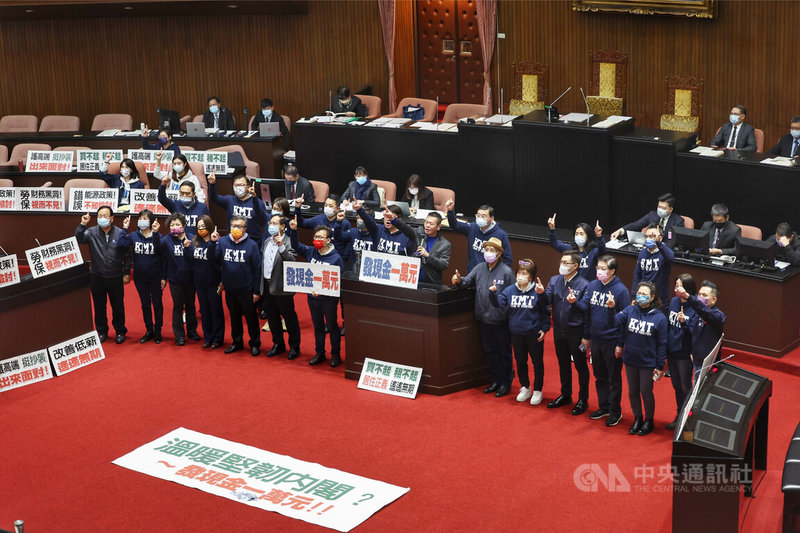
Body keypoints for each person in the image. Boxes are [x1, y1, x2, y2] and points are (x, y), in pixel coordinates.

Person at [452, 237, 515, 397]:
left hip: (501, 321)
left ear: (499, 253)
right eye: (486, 249)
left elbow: (513, 296)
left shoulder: (507, 272)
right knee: (490, 352)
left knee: (504, 353)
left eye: (492, 250)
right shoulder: (479, 267)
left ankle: (506, 383)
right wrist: (458, 280)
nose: (488, 253)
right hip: (483, 319)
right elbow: (466, 281)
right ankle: (495, 380)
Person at [577, 255, 630, 427]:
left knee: (613, 378)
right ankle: (604, 407)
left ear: (612, 271)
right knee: (599, 376)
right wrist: (586, 336)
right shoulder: (592, 285)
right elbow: (587, 311)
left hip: (612, 341)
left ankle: (615, 411)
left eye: (603, 269)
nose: (599, 271)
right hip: (596, 339)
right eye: (597, 268)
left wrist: (620, 344)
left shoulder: (621, 290)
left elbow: (625, 320)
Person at [489, 259, 550, 405]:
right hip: (516, 333)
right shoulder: (510, 290)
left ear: (531, 276)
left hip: (533, 333)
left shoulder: (538, 290)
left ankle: (537, 390)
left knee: (537, 363)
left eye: (524, 273)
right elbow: (499, 304)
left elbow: (545, 311)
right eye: (519, 273)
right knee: (521, 362)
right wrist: (492, 294)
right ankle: (525, 387)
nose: (520, 276)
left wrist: (544, 329)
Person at [539, 251, 591, 415]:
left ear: (575, 266)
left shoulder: (584, 284)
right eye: (561, 261)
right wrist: (540, 294)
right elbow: (546, 301)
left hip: (576, 331)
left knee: (581, 366)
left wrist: (586, 335)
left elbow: (587, 311)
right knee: (563, 363)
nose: (562, 265)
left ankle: (583, 399)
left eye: (566, 262)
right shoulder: (555, 280)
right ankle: (566, 394)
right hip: (559, 330)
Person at [614, 281, 668, 436]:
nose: (641, 296)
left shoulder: (660, 318)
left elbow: (662, 343)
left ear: (652, 297)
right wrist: (613, 309)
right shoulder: (630, 309)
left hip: (648, 362)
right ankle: (638, 418)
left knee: (646, 392)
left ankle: (649, 420)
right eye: (639, 293)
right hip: (630, 359)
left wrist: (659, 365)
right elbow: (619, 325)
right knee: (632, 391)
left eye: (645, 294)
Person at [288, 218, 344, 367]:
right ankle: (319, 352)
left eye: (321, 237)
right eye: (316, 236)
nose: (317, 239)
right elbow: (295, 246)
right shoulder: (311, 251)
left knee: (332, 327)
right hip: (312, 298)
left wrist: (324, 292)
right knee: (318, 326)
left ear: (328, 240)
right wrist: (293, 231)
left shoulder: (336, 258)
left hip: (328, 300)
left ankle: (335, 354)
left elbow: (338, 282)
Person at [75, 206, 131, 344]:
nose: (102, 218)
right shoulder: (92, 232)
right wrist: (83, 224)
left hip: (115, 275)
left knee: (117, 305)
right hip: (97, 275)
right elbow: (78, 239)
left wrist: (126, 273)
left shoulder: (120, 233)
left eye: (105, 216)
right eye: (99, 216)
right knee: (99, 306)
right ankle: (102, 331)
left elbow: (128, 255)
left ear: (112, 218)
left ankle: (119, 331)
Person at [213, 215, 262, 356]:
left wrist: (257, 291)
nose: (236, 229)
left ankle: (255, 343)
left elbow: (257, 269)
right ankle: (237, 342)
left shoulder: (252, 245)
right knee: (234, 318)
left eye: (240, 226)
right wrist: (213, 243)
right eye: (234, 226)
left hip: (247, 290)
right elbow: (215, 260)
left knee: (251, 319)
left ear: (245, 228)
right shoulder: (222, 242)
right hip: (229, 289)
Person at [117, 210, 165, 344]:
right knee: (145, 305)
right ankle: (149, 330)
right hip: (140, 277)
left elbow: (162, 254)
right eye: (140, 218)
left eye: (145, 218)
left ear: (151, 221)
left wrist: (163, 277)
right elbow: (121, 244)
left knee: (157, 304)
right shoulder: (133, 236)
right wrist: (124, 228)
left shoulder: (158, 236)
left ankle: (158, 331)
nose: (142, 221)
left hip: (155, 277)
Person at [260, 214, 301, 359]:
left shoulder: (289, 242)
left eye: (275, 223)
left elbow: (292, 261)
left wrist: (281, 246)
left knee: (289, 318)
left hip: (283, 286)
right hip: (267, 285)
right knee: (272, 317)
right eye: (270, 223)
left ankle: (294, 346)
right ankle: (278, 344)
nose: (271, 226)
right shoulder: (266, 241)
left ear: (283, 227)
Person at [160, 212, 201, 346]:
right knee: (177, 307)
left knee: (191, 306)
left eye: (178, 224)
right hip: (175, 280)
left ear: (183, 225)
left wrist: (188, 248)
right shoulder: (166, 240)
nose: (175, 227)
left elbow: (195, 259)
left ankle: (192, 331)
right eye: (172, 225)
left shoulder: (192, 238)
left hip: (191, 279)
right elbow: (162, 259)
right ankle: (179, 335)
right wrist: (163, 277)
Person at [184, 215, 224, 350]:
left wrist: (212, 242)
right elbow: (190, 262)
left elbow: (214, 258)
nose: (201, 229)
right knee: (205, 312)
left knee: (215, 311)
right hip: (199, 283)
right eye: (199, 227)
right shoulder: (195, 241)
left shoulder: (217, 242)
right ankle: (208, 338)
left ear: (210, 227)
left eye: (203, 226)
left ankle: (217, 338)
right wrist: (186, 249)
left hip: (214, 283)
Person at [665, 273, 697, 430]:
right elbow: (669, 325)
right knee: (677, 386)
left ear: (688, 289)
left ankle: (689, 419)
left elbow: (697, 331)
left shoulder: (696, 305)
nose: (676, 288)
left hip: (685, 353)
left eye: (680, 286)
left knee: (685, 386)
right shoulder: (674, 301)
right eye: (675, 285)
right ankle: (679, 415)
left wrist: (686, 322)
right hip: (672, 351)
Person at [445, 199, 513, 273]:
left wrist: (497, 273)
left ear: (492, 218)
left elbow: (508, 259)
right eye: (478, 215)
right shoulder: (472, 227)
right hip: (472, 273)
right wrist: (451, 211)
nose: (480, 218)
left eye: (483, 216)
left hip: (489, 275)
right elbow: (455, 225)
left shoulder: (500, 234)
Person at [676, 280, 726, 377]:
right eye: (699, 294)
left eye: (704, 295)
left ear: (714, 299)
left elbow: (705, 312)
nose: (700, 297)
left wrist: (687, 296)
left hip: (709, 364)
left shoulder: (718, 315)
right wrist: (683, 322)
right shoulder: (697, 313)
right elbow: (692, 331)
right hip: (696, 360)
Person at [390, 210, 452, 285]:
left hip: (431, 283)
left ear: (438, 227)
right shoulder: (419, 233)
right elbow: (405, 228)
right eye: (426, 222)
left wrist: (428, 256)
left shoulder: (444, 244)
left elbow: (443, 264)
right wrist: (393, 219)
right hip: (411, 279)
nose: (427, 225)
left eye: (431, 224)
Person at [208, 172, 268, 245]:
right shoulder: (229, 200)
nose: (238, 188)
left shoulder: (258, 202)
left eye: (241, 185)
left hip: (253, 241)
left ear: (248, 186)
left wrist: (254, 198)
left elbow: (263, 219)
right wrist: (212, 184)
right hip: (233, 240)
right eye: (236, 185)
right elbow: (214, 199)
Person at [610, 193, 684, 246]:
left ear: (671, 209)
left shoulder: (678, 221)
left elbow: (675, 241)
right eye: (659, 207)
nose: (660, 209)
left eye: (663, 208)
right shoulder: (652, 215)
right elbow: (636, 225)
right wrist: (620, 231)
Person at [547, 214, 606, 281]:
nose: (578, 236)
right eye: (576, 234)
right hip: (571, 284)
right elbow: (554, 243)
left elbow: (602, 251)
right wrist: (552, 229)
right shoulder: (570, 249)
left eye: (581, 234)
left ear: (588, 236)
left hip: (587, 286)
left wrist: (599, 236)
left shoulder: (594, 251)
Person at [296, 194, 351, 259]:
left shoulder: (345, 223)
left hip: (337, 257)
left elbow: (349, 242)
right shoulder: (319, 218)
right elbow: (302, 223)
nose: (327, 208)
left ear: (337, 209)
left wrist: (344, 258)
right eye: (326, 205)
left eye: (330, 206)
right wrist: (297, 208)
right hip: (319, 256)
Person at [632, 224, 674, 306]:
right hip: (643, 296)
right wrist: (634, 296)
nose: (648, 239)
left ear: (660, 238)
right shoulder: (642, 253)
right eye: (646, 236)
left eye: (652, 236)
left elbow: (670, 257)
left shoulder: (664, 253)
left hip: (660, 298)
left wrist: (658, 243)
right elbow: (637, 274)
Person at [334, 204, 376, 271]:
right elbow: (338, 237)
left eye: (361, 218)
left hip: (371, 268)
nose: (359, 220)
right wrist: (338, 222)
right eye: (358, 217)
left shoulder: (376, 234)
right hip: (355, 267)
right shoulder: (353, 232)